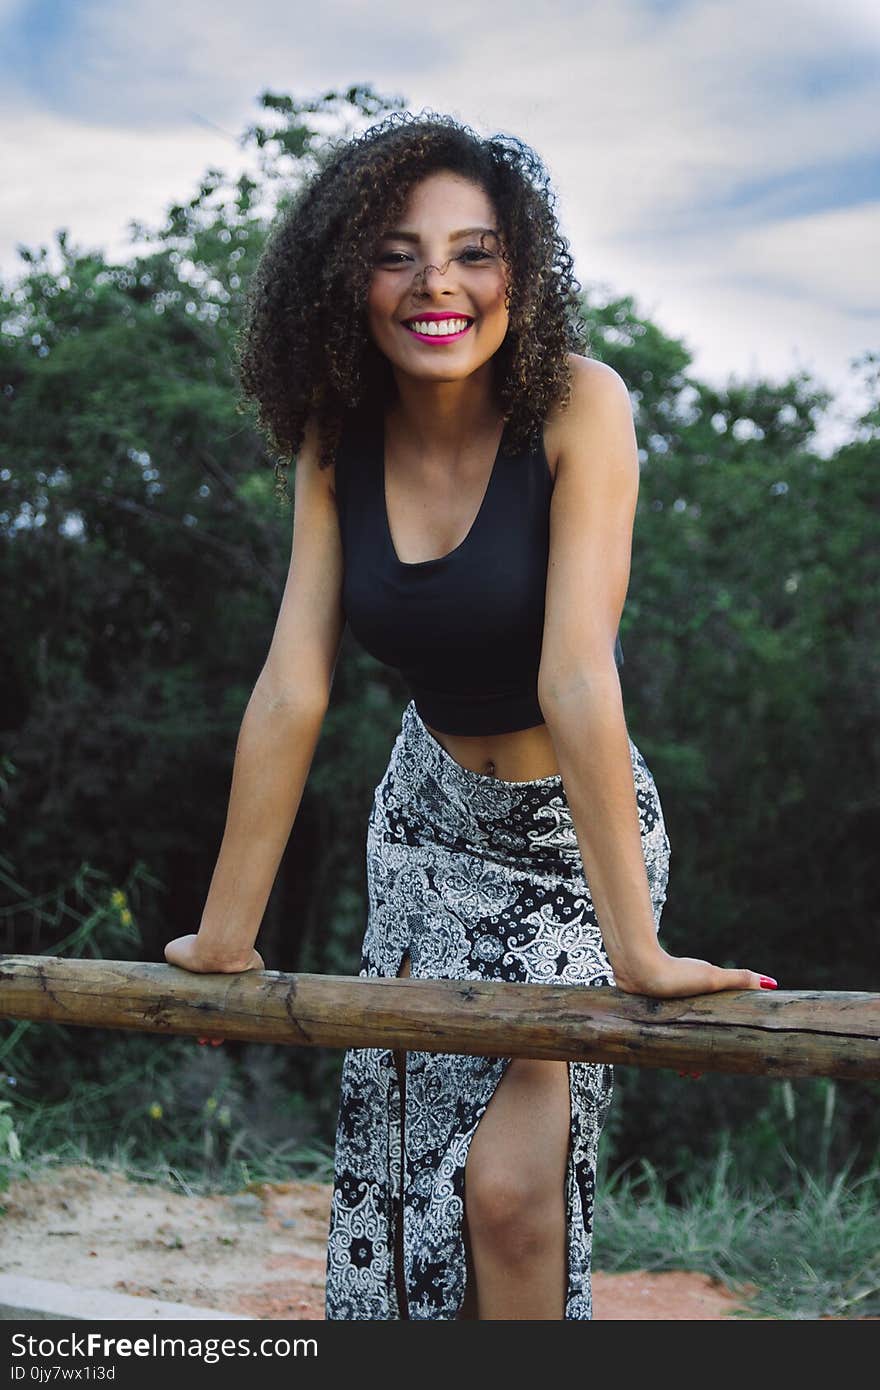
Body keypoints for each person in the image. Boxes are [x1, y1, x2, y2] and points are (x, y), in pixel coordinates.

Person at [164, 111, 777, 1321]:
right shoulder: (335, 440)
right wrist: (224, 937)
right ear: (347, 277)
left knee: (505, 1195)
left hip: (569, 843)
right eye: (397, 251)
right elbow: (294, 682)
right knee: (408, 1190)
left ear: (521, 272)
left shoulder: (579, 406)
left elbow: (575, 675)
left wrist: (638, 948)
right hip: (424, 826)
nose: (436, 283)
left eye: (475, 251)